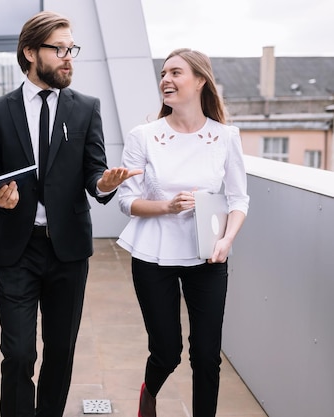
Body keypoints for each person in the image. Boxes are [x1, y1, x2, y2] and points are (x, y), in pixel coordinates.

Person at [0, 11, 142, 417]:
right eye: (60, 49)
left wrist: (106, 183)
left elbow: (94, 172)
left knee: (61, 350)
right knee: (17, 353)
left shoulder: (86, 107)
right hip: (18, 249)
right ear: (30, 52)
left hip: (68, 250)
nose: (69, 57)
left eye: (72, 49)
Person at [116, 48, 250, 417]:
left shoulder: (226, 137)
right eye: (163, 73)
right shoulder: (143, 135)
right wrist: (166, 206)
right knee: (167, 351)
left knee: (206, 355)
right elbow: (126, 202)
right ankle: (150, 389)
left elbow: (239, 199)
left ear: (200, 81)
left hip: (208, 254)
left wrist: (226, 241)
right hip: (152, 255)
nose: (166, 80)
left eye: (176, 73)